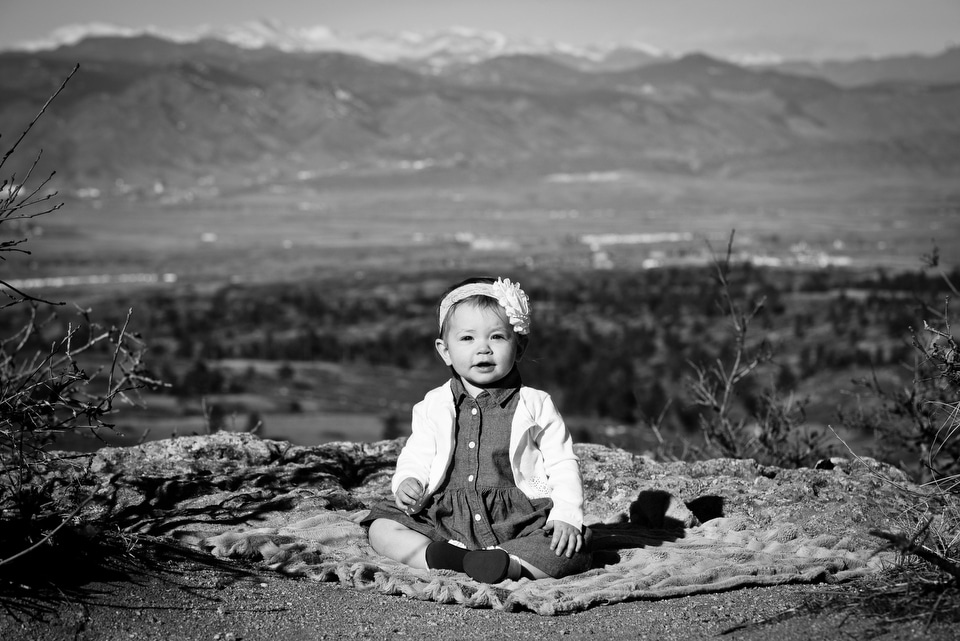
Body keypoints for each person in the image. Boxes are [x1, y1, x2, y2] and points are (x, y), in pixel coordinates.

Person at [364, 276, 593, 583]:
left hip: (517, 520)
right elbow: (418, 452)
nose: (483, 349)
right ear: (445, 351)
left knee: (574, 547)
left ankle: (505, 565)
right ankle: (445, 557)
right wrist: (409, 480)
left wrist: (566, 515)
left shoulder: (536, 404)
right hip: (444, 515)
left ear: (519, 346)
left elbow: (562, 462)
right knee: (381, 527)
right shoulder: (434, 403)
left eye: (497, 337)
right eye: (467, 339)